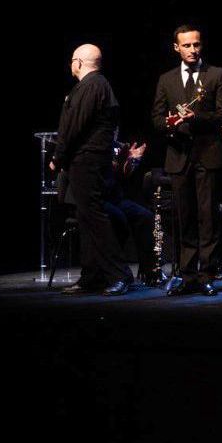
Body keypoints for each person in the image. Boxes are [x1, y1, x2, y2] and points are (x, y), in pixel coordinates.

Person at [150, 25, 222, 296]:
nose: (192, 50)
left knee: (208, 219)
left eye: (196, 44)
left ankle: (207, 274)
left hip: (208, 155)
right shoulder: (167, 79)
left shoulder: (216, 74)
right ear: (176, 47)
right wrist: (170, 125)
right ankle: (187, 277)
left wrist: (196, 118)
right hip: (178, 156)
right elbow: (156, 118)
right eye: (186, 45)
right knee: (183, 219)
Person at [55, 44, 131, 295]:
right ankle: (92, 276)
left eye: (71, 62)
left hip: (88, 159)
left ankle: (119, 274)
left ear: (78, 62)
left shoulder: (92, 86)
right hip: (87, 159)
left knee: (95, 217)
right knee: (86, 218)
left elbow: (75, 125)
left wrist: (59, 155)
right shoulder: (94, 86)